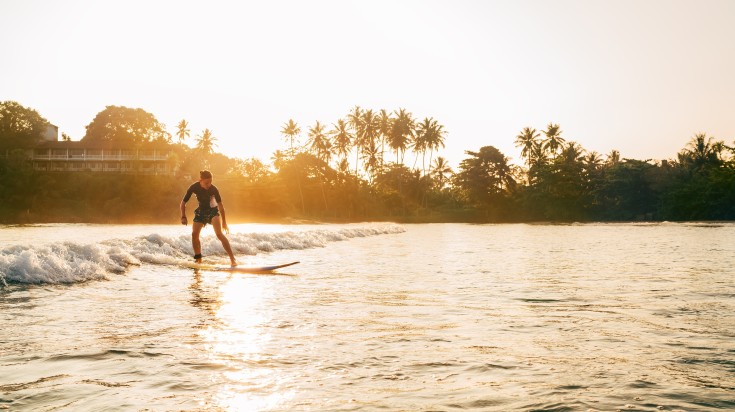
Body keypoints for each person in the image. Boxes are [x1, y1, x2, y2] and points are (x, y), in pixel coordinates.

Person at [180, 170, 237, 267]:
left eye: (210, 182)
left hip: (212, 211)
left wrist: (224, 222)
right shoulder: (194, 187)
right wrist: (183, 216)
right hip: (200, 212)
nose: (209, 185)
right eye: (207, 183)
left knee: (219, 234)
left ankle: (233, 259)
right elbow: (183, 203)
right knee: (194, 234)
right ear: (200, 180)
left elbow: (221, 206)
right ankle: (198, 259)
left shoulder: (214, 189)